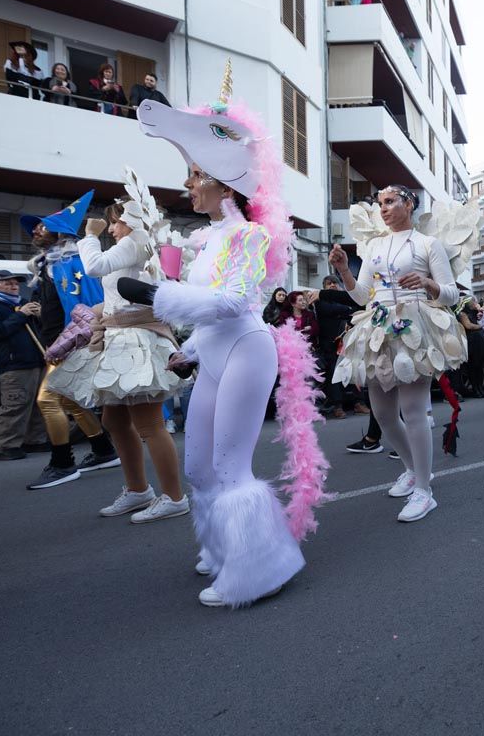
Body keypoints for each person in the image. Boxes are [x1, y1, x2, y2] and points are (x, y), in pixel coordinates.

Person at [125, 66, 325, 607]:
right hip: (214, 354)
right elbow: (208, 307)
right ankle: (222, 550)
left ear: (222, 179)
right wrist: (189, 350)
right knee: (198, 466)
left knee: (231, 465)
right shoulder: (206, 239)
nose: (188, 185)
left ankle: (260, 570)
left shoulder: (249, 236)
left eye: (196, 175)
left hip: (246, 351)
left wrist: (159, 297)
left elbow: (236, 302)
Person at [45, 192, 188, 523]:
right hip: (119, 338)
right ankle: (138, 490)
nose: (110, 229)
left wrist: (89, 234)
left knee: (149, 423)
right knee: (115, 421)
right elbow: (119, 295)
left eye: (115, 222)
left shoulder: (136, 241)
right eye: (109, 223)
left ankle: (174, 497)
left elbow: (94, 267)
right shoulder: (135, 247)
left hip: (135, 340)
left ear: (133, 220)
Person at [329, 184, 465, 523]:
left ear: (409, 204)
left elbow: (451, 294)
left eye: (390, 202)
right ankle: (411, 469)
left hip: (414, 328)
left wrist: (428, 284)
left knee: (414, 411)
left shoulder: (427, 244)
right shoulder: (375, 245)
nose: (384, 209)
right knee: (384, 414)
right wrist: (344, 270)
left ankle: (424, 490)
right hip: (378, 329)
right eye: (381, 204)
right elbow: (363, 295)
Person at [21, 194, 121, 489]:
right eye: (35, 227)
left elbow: (92, 307)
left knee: (48, 400)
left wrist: (73, 343)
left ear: (60, 233)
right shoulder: (48, 265)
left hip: (72, 344)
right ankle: (103, 450)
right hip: (57, 342)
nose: (35, 230)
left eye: (42, 226)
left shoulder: (74, 261)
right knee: (69, 400)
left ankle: (62, 463)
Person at [0, 270, 49, 460]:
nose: (14, 286)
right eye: (7, 283)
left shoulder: (23, 304)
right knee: (15, 405)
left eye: (15, 283)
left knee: (39, 404)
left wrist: (41, 316)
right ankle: (6, 446)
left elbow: (42, 330)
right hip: (15, 365)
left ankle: (35, 440)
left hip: (38, 361)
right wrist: (21, 315)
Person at [311, 279, 369, 418]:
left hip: (348, 343)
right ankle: (337, 406)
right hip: (330, 345)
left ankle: (359, 403)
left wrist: (347, 310)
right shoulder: (320, 300)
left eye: (335, 283)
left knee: (354, 370)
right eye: (328, 284)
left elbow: (358, 310)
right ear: (324, 288)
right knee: (334, 375)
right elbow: (332, 310)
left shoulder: (346, 298)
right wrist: (347, 310)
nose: (332, 285)